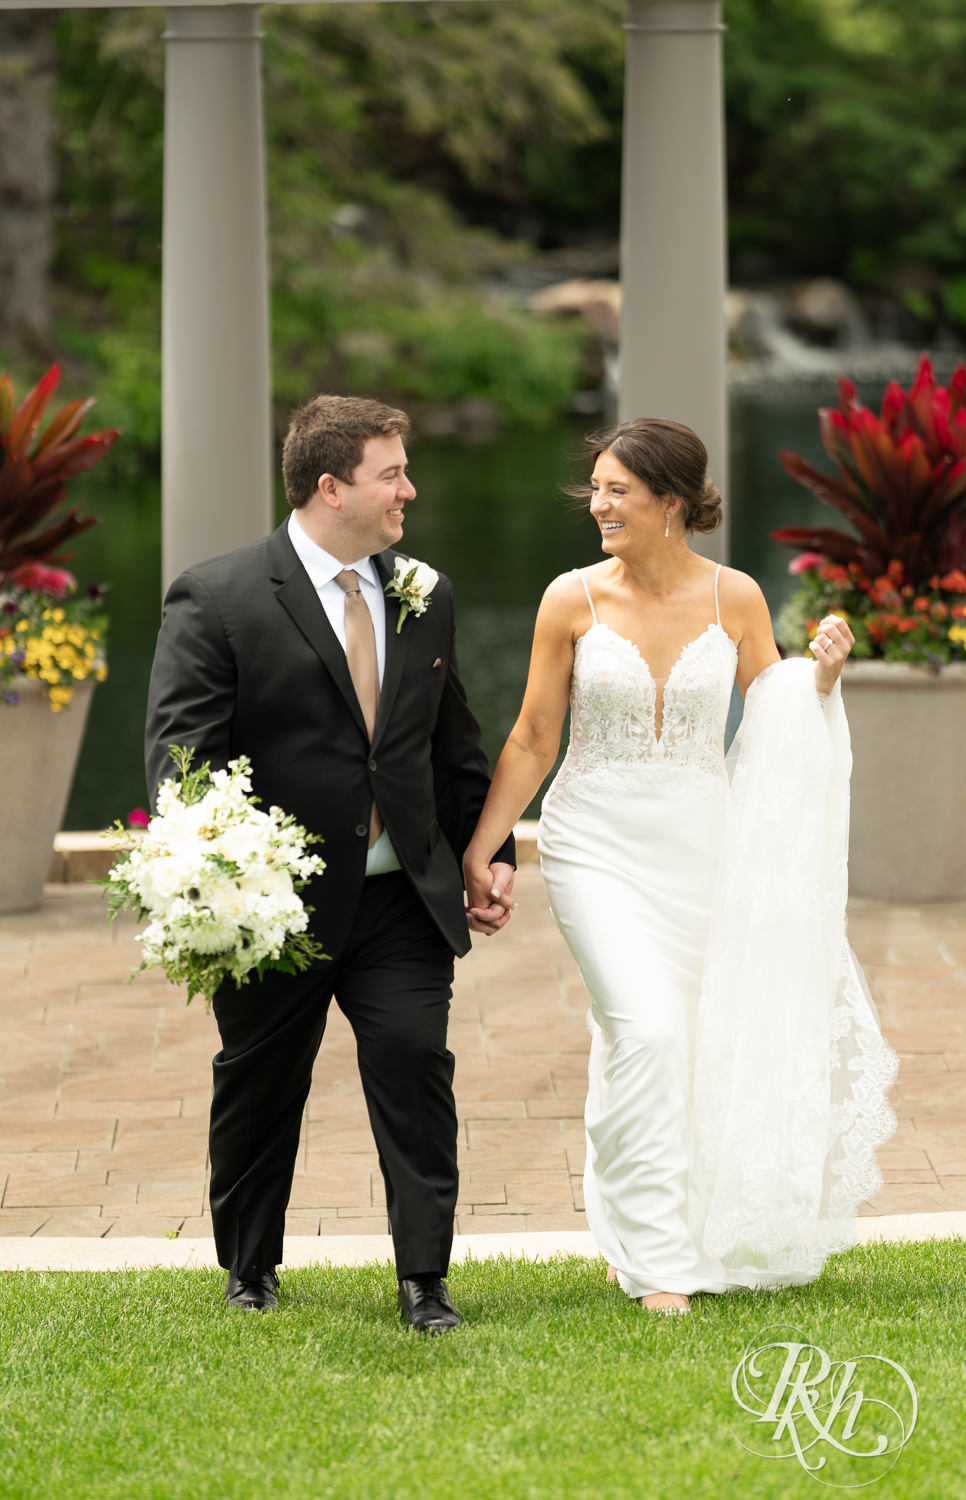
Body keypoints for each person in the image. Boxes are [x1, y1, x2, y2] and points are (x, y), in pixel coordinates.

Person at [464, 417, 897, 1316]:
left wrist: (819, 682)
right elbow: (535, 735)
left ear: (672, 502)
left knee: (677, 1041)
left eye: (618, 489)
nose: (599, 503)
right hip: (595, 842)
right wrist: (482, 847)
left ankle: (638, 1233)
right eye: (597, 487)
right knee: (649, 1027)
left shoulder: (734, 598)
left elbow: (774, 715)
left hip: (704, 844)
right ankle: (660, 1260)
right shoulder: (569, 600)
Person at [146, 394, 515, 1329]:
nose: (409, 489)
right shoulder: (218, 596)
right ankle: (250, 1270)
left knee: (414, 1064)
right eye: (392, 472)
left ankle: (424, 1281)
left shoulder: (424, 592)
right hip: (277, 909)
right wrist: (219, 877)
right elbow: (179, 759)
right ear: (329, 486)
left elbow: (452, 744)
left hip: (402, 901)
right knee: (262, 1083)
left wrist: (489, 851)